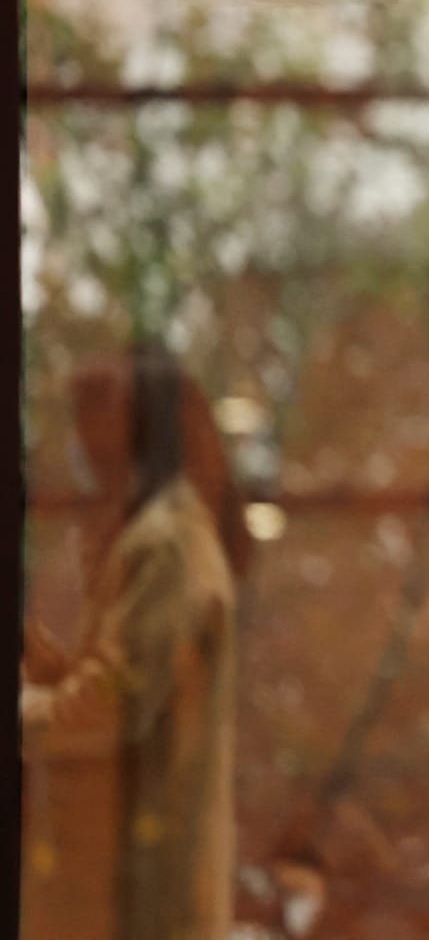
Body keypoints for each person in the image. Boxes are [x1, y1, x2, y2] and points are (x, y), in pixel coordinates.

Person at [21, 346, 247, 940]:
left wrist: (30, 707)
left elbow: (105, 707)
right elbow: (127, 689)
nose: (77, 434)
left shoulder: (167, 542)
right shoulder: (159, 533)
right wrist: (54, 679)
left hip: (141, 907)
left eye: (93, 410)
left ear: (138, 421)